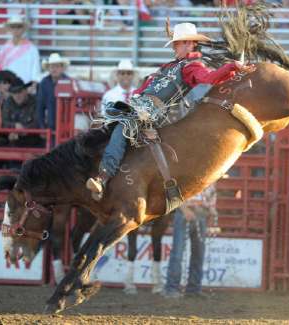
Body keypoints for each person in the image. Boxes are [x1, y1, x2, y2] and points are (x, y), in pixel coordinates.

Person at [86, 22, 251, 200]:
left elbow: (209, 78)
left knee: (121, 128)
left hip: (153, 111)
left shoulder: (192, 66)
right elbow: (146, 85)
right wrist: (136, 95)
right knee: (104, 123)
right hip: (138, 106)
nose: (174, 47)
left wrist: (231, 67)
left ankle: (103, 177)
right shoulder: (172, 65)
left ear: (189, 43)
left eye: (176, 43)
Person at [162, 183, 217, 299]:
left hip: (201, 213)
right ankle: (172, 288)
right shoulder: (184, 169)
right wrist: (184, 209)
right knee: (178, 253)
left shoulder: (208, 173)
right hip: (184, 213)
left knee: (198, 253)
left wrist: (211, 208)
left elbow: (212, 192)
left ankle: (193, 288)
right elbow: (172, 190)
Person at [0, 16, 41, 85]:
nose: (16, 29)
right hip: (7, 86)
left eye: (19, 27)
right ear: (9, 29)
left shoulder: (32, 49)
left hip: (25, 87)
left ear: (23, 29)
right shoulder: (3, 49)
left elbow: (36, 70)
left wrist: (33, 85)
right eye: (13, 27)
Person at [1, 77, 42, 149]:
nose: (17, 95)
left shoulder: (35, 102)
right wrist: (14, 126)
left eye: (19, 91)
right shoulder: (8, 102)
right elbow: (3, 122)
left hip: (32, 141)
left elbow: (38, 122)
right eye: (14, 92)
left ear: (25, 91)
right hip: (11, 139)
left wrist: (21, 131)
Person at [37, 53, 71, 130]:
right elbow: (40, 106)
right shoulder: (44, 83)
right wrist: (42, 127)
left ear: (62, 68)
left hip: (66, 124)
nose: (54, 69)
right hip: (50, 125)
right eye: (52, 66)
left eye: (57, 66)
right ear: (48, 69)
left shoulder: (68, 82)